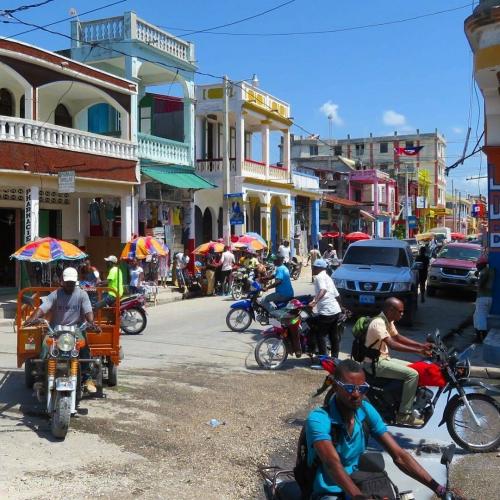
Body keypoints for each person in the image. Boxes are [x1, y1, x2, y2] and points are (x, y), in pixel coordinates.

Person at [305, 359, 462, 500]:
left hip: (357, 483)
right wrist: (359, 497)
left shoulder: (365, 410)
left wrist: (439, 489)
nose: (356, 394)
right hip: (330, 491)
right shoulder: (319, 419)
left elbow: (400, 455)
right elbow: (333, 464)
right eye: (349, 388)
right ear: (335, 386)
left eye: (362, 388)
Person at [25, 267, 98, 393]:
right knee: (44, 347)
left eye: (71, 282)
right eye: (67, 282)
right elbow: (43, 309)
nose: (69, 285)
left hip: (75, 329)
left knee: (84, 346)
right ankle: (41, 377)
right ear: (62, 281)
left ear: (75, 281)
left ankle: (87, 377)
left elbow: (88, 311)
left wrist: (92, 323)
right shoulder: (55, 294)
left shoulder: (82, 294)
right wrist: (32, 318)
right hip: (55, 330)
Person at [363, 297, 432, 425]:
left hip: (383, 359)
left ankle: (406, 400)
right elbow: (393, 344)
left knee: (416, 367)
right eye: (400, 311)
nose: (402, 314)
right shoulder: (378, 323)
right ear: (390, 310)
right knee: (412, 374)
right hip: (374, 363)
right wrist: (418, 351)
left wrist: (421, 346)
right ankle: (404, 414)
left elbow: (398, 337)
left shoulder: (388, 321)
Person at [308, 259, 342, 357]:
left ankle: (323, 359)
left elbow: (323, 290)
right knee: (333, 336)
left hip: (327, 311)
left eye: (314, 267)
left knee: (320, 335)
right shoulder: (328, 277)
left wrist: (315, 301)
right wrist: (342, 307)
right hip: (335, 310)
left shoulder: (319, 277)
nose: (312, 269)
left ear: (319, 268)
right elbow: (337, 295)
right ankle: (335, 358)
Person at [473, 255, 495, 343]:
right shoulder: (490, 271)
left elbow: (481, 284)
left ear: (482, 264)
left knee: (480, 318)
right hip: (488, 297)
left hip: (482, 298)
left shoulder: (484, 272)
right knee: (477, 316)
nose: (477, 267)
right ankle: (479, 336)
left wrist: (478, 278)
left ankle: (482, 337)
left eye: (478, 265)